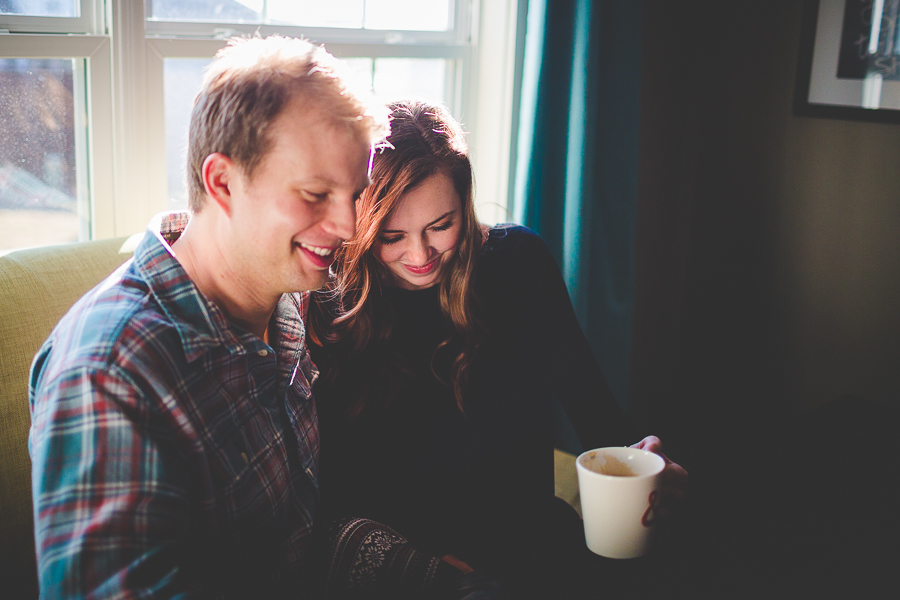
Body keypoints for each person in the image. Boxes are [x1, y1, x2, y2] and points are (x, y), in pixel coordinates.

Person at [28, 36, 389, 598]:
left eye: (355, 193)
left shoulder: (283, 300)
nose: (347, 226)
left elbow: (295, 536)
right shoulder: (109, 371)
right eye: (316, 193)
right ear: (222, 182)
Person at [307, 99, 689, 599]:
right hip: (412, 562)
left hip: (530, 538)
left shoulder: (517, 262)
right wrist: (412, 564)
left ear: (464, 202)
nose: (420, 256)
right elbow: (338, 483)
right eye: (393, 236)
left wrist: (644, 459)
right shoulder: (331, 304)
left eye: (440, 225)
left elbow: (593, 407)